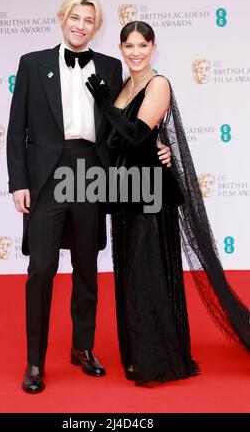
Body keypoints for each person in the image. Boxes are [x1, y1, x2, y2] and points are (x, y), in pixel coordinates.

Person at [6, 0, 170, 394]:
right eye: (75, 17)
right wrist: (18, 182)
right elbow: (15, 130)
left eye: (89, 20)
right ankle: (34, 361)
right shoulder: (32, 63)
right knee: (41, 267)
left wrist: (159, 146)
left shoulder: (113, 67)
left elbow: (130, 117)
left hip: (91, 172)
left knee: (86, 266)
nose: (80, 25)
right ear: (62, 19)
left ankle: (83, 348)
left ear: (96, 28)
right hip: (46, 174)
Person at [86, 21, 250, 386]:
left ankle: (159, 359)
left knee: (149, 274)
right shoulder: (127, 85)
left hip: (151, 192)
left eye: (142, 46)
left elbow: (134, 134)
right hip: (126, 189)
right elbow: (117, 141)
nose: (135, 53)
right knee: (130, 275)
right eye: (128, 46)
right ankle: (139, 354)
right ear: (121, 47)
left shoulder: (158, 84)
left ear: (153, 48)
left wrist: (104, 105)